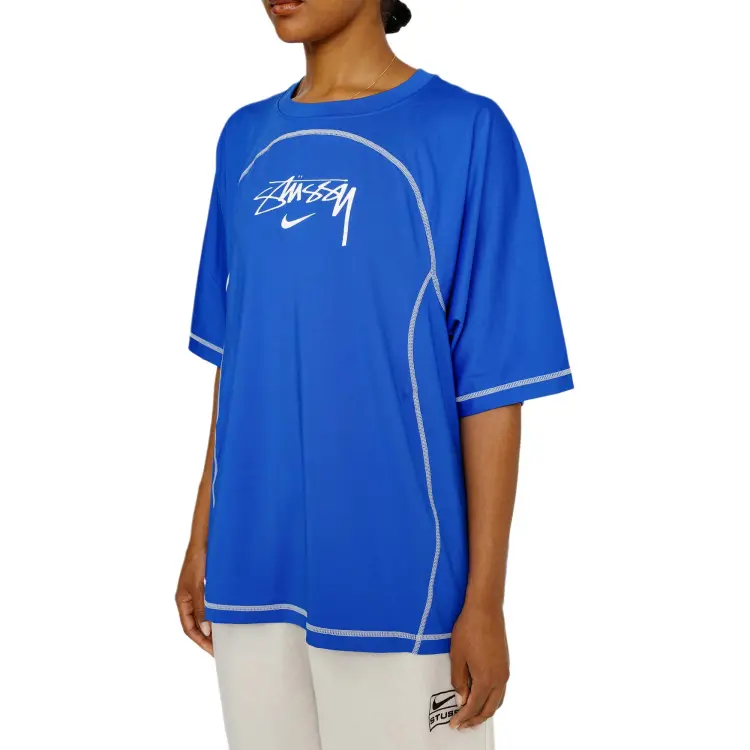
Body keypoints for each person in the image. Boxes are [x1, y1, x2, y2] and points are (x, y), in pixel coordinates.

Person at [176, 0, 573, 747]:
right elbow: (237, 358)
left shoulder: (465, 131)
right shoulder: (244, 140)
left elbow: (491, 386)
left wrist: (485, 600)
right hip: (251, 569)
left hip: (403, 585)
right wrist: (203, 536)